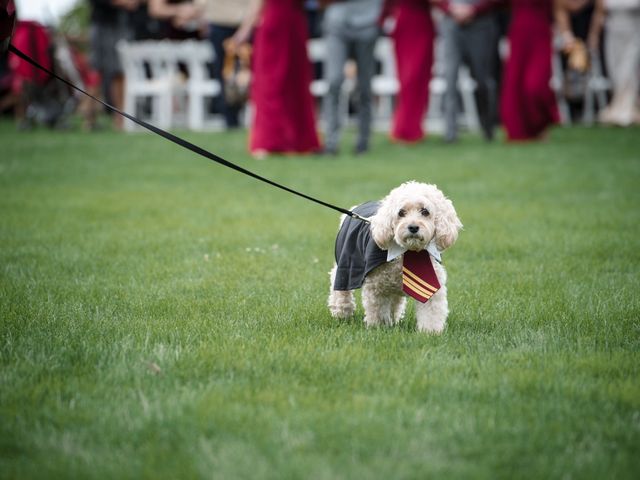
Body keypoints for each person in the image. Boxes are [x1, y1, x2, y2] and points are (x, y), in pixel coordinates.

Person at [232, 0, 321, 158]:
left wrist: (244, 30)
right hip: (293, 23)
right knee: (292, 86)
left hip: (277, 22)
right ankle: (296, 141)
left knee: (270, 84)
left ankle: (268, 142)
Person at [322, 0, 383, 154]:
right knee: (333, 82)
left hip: (368, 22)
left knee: (364, 87)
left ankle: (363, 141)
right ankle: (331, 142)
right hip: (337, 22)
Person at [440, 0, 500, 142]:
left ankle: (488, 127)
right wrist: (450, 8)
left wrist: (473, 9)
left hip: (481, 25)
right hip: (451, 23)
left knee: (482, 80)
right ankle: (450, 133)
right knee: (450, 79)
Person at [382, 0, 435, 143]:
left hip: (422, 22)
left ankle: (414, 126)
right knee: (408, 77)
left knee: (421, 77)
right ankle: (402, 127)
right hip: (405, 21)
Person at [195, 0, 250, 129]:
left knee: (247, 73)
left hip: (245, 21)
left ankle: (252, 119)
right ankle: (230, 120)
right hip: (219, 23)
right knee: (224, 74)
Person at [88, 0, 139, 130]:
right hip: (104, 23)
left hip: (121, 22)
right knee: (99, 71)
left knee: (120, 71)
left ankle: (120, 118)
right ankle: (90, 116)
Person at [593, 0, 640, 126]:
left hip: (633, 33)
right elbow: (600, 12)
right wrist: (594, 35)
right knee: (614, 71)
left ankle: (627, 109)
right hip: (612, 33)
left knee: (627, 71)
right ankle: (619, 107)